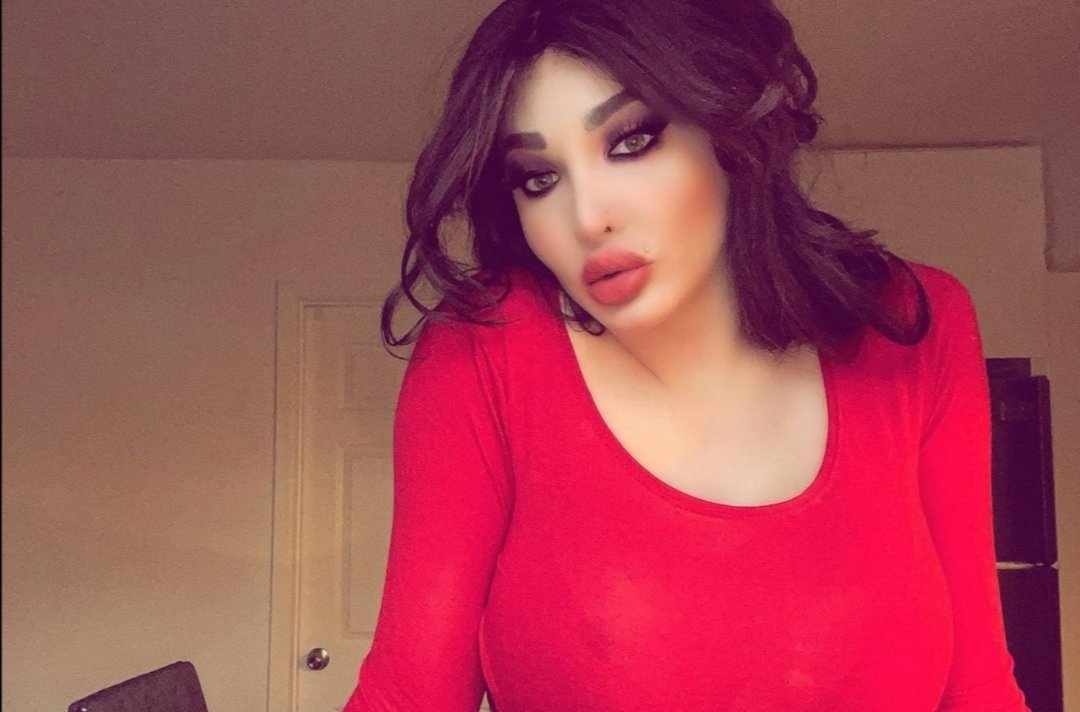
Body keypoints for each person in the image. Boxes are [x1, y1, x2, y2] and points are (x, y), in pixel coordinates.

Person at [343, 0, 1030, 709]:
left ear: (731, 132)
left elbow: (979, 687)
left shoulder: (914, 324)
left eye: (631, 141)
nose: (587, 218)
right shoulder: (486, 348)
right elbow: (407, 695)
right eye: (538, 178)